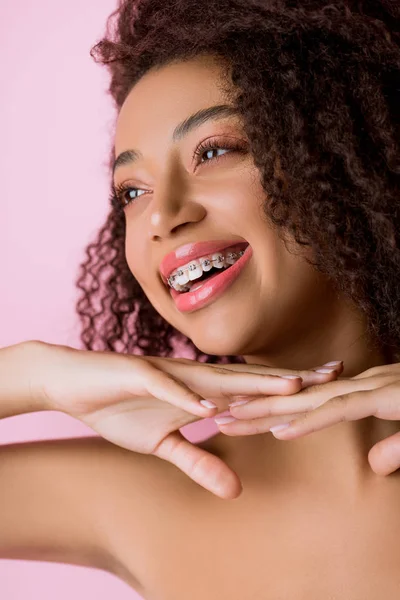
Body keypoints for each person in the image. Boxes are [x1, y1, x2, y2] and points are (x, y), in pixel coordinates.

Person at [1, 0, 400, 597]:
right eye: (131, 191)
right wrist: (29, 375)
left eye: (213, 152)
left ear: (346, 156)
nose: (160, 215)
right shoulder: (135, 498)